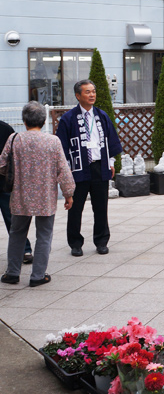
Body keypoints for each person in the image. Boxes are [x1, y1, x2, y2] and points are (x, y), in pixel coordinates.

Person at [0, 102, 75, 287]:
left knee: (16, 233)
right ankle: (38, 276)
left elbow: (2, 165)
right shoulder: (53, 141)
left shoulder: (14, 139)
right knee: (44, 235)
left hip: (20, 196)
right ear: (43, 120)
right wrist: (68, 194)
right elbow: (63, 171)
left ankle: (12, 273)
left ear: (24, 121)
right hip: (45, 197)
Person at [55, 80, 122, 257]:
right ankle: (75, 243)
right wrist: (65, 170)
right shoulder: (68, 118)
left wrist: (111, 162)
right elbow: (61, 147)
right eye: (87, 92)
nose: (92, 95)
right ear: (78, 96)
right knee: (75, 208)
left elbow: (111, 140)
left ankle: (101, 241)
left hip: (100, 166)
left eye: (93, 91)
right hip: (78, 168)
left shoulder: (102, 116)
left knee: (101, 206)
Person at [0, 120, 32, 264]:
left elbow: (13, 156)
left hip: (3, 184)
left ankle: (24, 249)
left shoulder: (5, 129)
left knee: (12, 219)